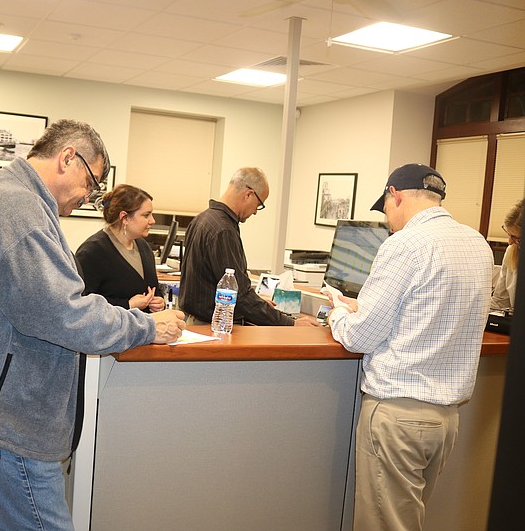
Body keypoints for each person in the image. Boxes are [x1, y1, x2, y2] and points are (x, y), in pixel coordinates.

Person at [0, 119, 186, 531]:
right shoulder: (17, 207)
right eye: (91, 182)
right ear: (67, 158)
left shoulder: (4, 194)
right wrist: (147, 327)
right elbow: (63, 311)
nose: (89, 196)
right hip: (9, 419)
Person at [325, 164, 493, 531]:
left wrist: (338, 313)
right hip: (445, 420)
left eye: (385, 209)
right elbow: (430, 314)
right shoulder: (477, 243)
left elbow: (360, 337)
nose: (387, 220)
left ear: (394, 195)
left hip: (397, 415)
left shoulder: (404, 244)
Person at [179, 166, 318, 327]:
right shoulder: (223, 230)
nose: (256, 212)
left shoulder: (203, 219)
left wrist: (258, 303)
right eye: (259, 204)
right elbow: (239, 295)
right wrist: (291, 323)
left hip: (198, 323)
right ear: (249, 194)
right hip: (215, 326)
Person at [76, 184, 165, 312]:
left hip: (144, 328)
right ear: (124, 218)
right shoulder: (92, 252)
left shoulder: (143, 246)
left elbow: (153, 288)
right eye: (146, 215)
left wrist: (159, 301)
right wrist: (127, 304)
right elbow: (82, 303)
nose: (152, 221)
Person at [491, 198, 522, 311]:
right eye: (508, 234)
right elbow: (499, 301)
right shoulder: (512, 251)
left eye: (516, 238)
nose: (509, 242)